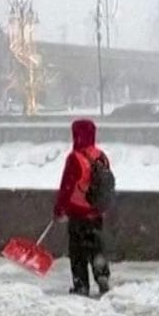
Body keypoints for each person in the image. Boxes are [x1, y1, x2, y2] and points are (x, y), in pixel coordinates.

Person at [53, 118, 111, 296]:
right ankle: (101, 274)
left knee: (78, 252)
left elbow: (67, 187)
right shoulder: (101, 156)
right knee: (96, 247)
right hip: (96, 212)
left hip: (78, 213)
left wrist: (59, 208)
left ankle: (81, 285)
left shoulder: (75, 158)